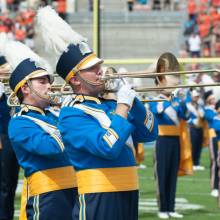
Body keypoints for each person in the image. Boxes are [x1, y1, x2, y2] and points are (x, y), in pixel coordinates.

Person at [36, 6, 158, 220]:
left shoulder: (110, 105)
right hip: (98, 196)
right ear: (75, 79)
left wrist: (132, 101)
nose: (100, 71)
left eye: (99, 65)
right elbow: (107, 147)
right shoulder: (71, 113)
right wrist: (122, 105)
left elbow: (149, 133)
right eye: (92, 68)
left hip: (129, 191)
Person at [3, 40, 77, 220]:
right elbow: (53, 148)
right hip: (47, 198)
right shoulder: (20, 122)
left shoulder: (55, 115)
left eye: (49, 81)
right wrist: (68, 113)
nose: (49, 86)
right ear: (26, 88)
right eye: (42, 81)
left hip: (75, 192)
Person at [148, 54, 191, 219]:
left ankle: (171, 207)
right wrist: (172, 101)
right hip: (162, 140)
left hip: (175, 140)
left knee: (172, 174)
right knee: (162, 174)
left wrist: (182, 100)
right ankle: (162, 209)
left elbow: (185, 117)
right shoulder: (154, 100)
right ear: (160, 83)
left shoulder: (175, 102)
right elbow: (157, 110)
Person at [0, 55, 20, 220]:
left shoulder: (8, 88)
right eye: (3, 68)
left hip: (11, 139)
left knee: (10, 184)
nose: (6, 71)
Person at [204, 90, 219, 198]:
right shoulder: (208, 110)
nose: (214, 100)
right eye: (212, 98)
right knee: (214, 161)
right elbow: (210, 118)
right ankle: (214, 187)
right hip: (213, 136)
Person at [186, 89, 205, 171]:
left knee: (199, 145)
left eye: (197, 96)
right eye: (195, 96)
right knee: (193, 145)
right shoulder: (188, 106)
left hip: (200, 127)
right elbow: (186, 117)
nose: (196, 98)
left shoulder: (200, 105)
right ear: (191, 97)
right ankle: (192, 163)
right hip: (192, 127)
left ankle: (197, 162)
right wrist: (192, 121)